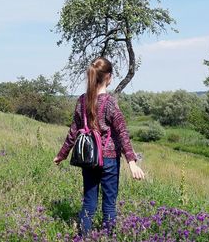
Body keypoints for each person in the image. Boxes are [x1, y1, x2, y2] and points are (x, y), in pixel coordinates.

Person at [53, 57, 145, 236]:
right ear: (109, 77)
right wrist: (132, 161)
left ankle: (83, 237)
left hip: (88, 158)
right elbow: (122, 133)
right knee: (109, 203)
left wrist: (62, 154)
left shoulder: (82, 100)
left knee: (89, 201)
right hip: (109, 159)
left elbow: (73, 131)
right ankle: (108, 237)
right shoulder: (109, 102)